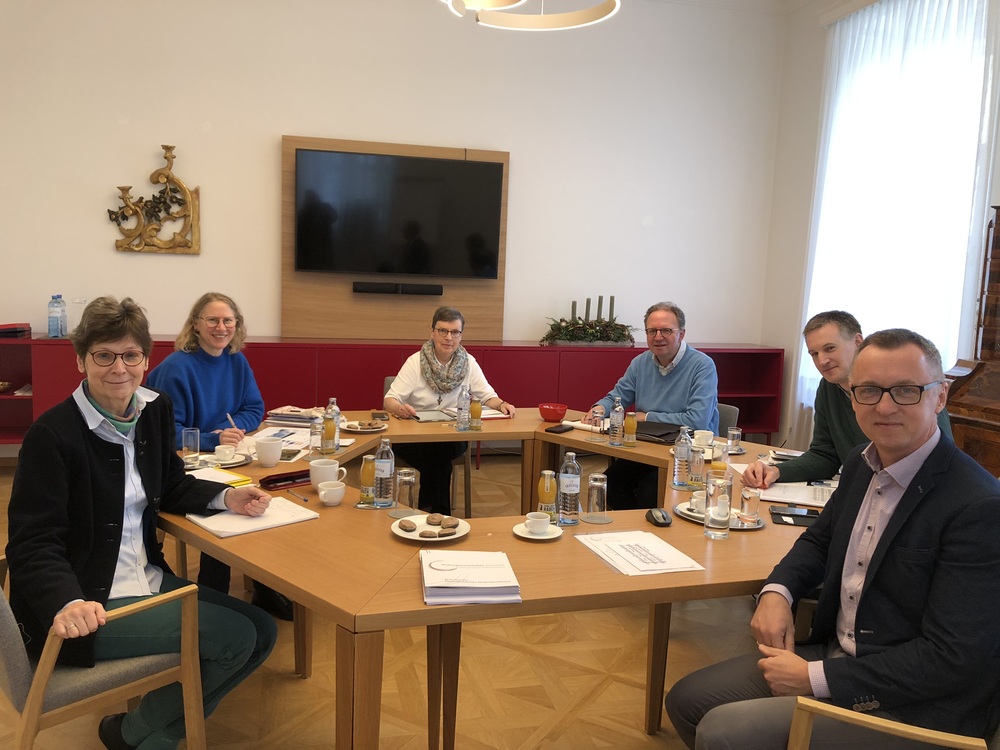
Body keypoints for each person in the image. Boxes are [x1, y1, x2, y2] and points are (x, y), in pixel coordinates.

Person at [665, 329, 1000, 750]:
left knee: (725, 731)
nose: (884, 406)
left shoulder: (978, 505)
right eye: (869, 391)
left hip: (915, 703)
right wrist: (777, 592)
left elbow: (953, 658)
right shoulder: (862, 464)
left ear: (940, 396)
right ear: (852, 394)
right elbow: (819, 542)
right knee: (687, 700)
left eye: (906, 391)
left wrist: (814, 678)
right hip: (837, 653)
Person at [6, 296, 277, 750]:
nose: (119, 368)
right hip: (88, 605)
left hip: (145, 579)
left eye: (131, 355)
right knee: (235, 638)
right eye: (104, 355)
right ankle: (145, 737)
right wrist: (66, 600)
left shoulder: (154, 410)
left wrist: (227, 496)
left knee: (263, 630)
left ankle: (132, 731)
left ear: (146, 360)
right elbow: (31, 544)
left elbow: (170, 486)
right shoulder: (52, 435)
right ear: (80, 360)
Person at [147, 293, 290, 620]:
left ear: (236, 325)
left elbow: (254, 408)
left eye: (228, 320)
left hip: (232, 457)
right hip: (186, 465)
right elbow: (165, 432)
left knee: (263, 500)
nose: (221, 327)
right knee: (227, 510)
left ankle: (264, 586)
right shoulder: (175, 368)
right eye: (212, 320)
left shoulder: (236, 360)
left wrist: (234, 429)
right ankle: (213, 600)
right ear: (195, 324)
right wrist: (214, 438)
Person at [743, 311, 953, 490]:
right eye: (814, 353)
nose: (822, 361)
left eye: (830, 348)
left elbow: (937, 459)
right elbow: (825, 455)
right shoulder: (828, 387)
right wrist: (777, 471)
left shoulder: (911, 390)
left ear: (858, 342)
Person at [584, 301, 719, 510]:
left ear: (681, 334)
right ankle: (631, 535)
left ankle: (654, 535)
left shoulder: (702, 366)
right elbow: (617, 397)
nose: (658, 337)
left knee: (650, 491)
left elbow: (696, 421)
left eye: (666, 330)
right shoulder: (641, 362)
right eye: (652, 331)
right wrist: (600, 408)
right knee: (608, 484)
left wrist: (646, 417)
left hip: (689, 455)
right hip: (647, 448)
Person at [384, 306, 515, 515]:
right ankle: (439, 514)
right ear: (432, 332)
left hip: (452, 435)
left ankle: (429, 513)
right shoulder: (415, 361)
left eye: (455, 332)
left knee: (439, 452)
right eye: (443, 331)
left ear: (461, 335)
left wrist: (501, 405)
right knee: (438, 457)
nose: (448, 337)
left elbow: (487, 395)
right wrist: (400, 409)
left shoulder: (468, 363)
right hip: (413, 437)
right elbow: (389, 400)